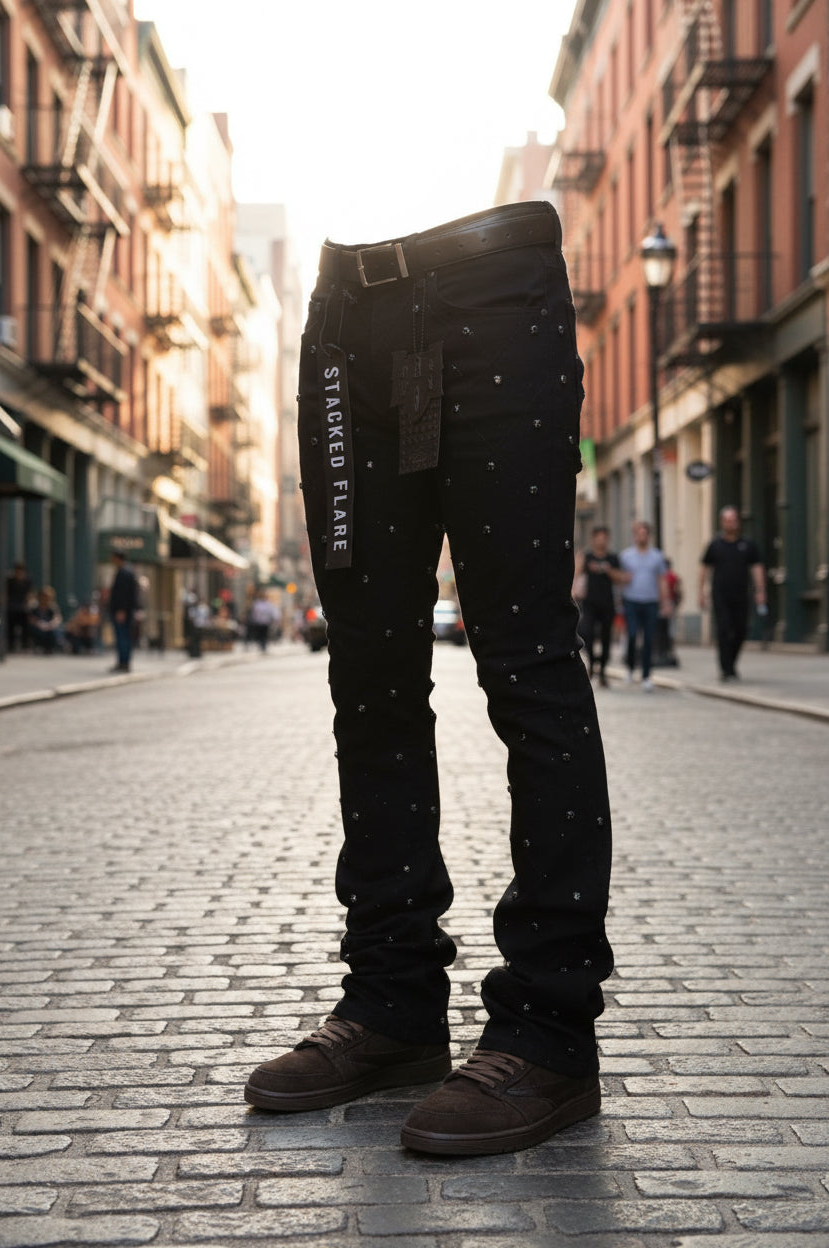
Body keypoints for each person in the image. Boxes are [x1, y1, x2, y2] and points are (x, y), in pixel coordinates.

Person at [243, 201, 614, 1157]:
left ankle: (548, 1030)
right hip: (340, 328)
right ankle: (393, 1002)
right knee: (368, 683)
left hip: (495, 299)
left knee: (527, 667)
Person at [699, 505, 766, 681]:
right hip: (720, 594)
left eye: (734, 520)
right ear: (722, 522)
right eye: (727, 520)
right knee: (723, 629)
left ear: (738, 522)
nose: (731, 523)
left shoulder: (748, 545)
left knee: (740, 630)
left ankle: (732, 663)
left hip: (741, 593)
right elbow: (704, 568)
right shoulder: (715, 545)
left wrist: (760, 590)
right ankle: (726, 668)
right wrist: (701, 592)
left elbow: (757, 567)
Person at [574, 526, 629, 687]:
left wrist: (607, 570)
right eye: (598, 537)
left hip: (607, 603)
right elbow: (576, 574)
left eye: (604, 537)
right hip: (589, 603)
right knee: (587, 634)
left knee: (606, 638)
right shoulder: (587, 556)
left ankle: (603, 672)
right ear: (593, 539)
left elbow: (621, 578)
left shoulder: (613, 558)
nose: (601, 540)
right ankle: (591, 664)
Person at [619, 520, 669, 691]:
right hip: (631, 600)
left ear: (648, 535)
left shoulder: (657, 556)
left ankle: (646, 675)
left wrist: (665, 601)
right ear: (634, 536)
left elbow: (661, 580)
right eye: (639, 533)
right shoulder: (625, 556)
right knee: (632, 635)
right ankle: (630, 668)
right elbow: (619, 578)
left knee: (649, 639)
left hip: (651, 601)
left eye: (644, 533)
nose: (642, 536)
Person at [108, 549, 139, 673]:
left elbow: (124, 594)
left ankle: (124, 662)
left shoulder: (125, 573)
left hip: (122, 611)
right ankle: (123, 662)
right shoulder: (125, 571)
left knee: (123, 637)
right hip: (123, 611)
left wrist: (122, 610)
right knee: (122, 637)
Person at [6, 561, 33, 652]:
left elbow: (29, 595)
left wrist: (28, 603)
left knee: (26, 624)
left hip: (22, 608)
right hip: (11, 608)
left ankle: (25, 645)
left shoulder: (27, 582)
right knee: (10, 625)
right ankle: (11, 645)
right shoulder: (9, 581)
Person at [28, 586, 63, 654]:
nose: (45, 599)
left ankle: (50, 648)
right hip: (38, 627)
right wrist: (40, 624)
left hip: (50, 627)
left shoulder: (53, 608)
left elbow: (57, 618)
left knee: (54, 632)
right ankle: (39, 646)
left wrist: (51, 624)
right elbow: (31, 618)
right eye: (43, 597)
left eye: (47, 597)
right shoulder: (34, 607)